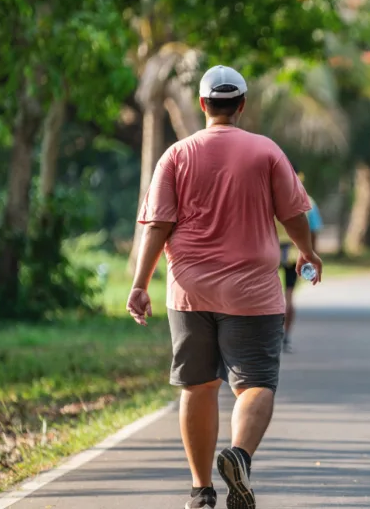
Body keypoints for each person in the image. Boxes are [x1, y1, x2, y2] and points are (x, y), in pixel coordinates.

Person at [126, 65, 323, 509]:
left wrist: (140, 284)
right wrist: (306, 252)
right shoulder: (266, 151)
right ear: (242, 105)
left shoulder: (177, 154)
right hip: (252, 290)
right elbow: (294, 213)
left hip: (189, 289)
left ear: (202, 105)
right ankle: (238, 455)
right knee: (254, 384)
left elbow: (157, 226)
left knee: (197, 386)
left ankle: (200, 491)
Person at [275, 165, 323, 353]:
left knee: (271, 296)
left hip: (270, 252)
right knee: (289, 296)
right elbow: (314, 231)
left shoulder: (269, 199)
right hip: (295, 253)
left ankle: (272, 336)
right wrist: (312, 255)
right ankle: (286, 337)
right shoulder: (307, 201)